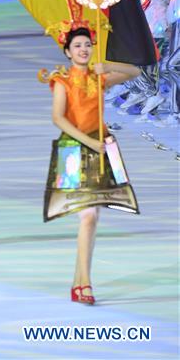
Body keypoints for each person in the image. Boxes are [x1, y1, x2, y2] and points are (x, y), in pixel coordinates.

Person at [44, 26, 141, 304]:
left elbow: (135, 72)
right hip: (75, 151)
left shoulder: (98, 78)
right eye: (77, 46)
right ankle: (84, 283)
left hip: (101, 147)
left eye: (87, 44)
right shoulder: (62, 81)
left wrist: (107, 65)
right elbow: (58, 118)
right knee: (88, 217)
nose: (83, 49)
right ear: (67, 51)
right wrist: (87, 143)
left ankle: (79, 283)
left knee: (92, 218)